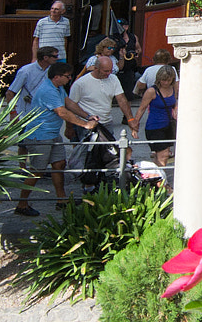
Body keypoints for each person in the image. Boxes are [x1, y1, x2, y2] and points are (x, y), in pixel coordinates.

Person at [12, 62, 97, 213]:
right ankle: (21, 204)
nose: (70, 79)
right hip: (40, 136)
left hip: (52, 134)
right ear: (57, 77)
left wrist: (88, 115)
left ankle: (61, 199)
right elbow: (62, 112)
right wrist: (85, 124)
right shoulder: (48, 91)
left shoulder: (57, 88)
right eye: (67, 76)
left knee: (59, 164)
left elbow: (69, 103)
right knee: (37, 170)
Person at [68, 54, 131, 134]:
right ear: (96, 69)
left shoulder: (113, 78)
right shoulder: (80, 83)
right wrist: (70, 127)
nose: (109, 73)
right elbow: (71, 105)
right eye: (105, 71)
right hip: (87, 123)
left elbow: (121, 99)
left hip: (107, 122)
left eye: (110, 70)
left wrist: (130, 119)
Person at [131, 65, 179, 167]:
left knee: (159, 156)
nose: (165, 83)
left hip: (168, 126)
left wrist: (175, 109)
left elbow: (174, 102)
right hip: (154, 127)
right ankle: (161, 180)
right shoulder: (152, 91)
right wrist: (135, 127)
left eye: (168, 80)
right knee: (164, 155)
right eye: (163, 80)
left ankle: (155, 178)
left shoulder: (173, 89)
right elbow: (141, 109)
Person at [7, 47, 61, 113]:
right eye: (55, 56)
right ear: (45, 57)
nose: (57, 58)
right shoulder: (26, 71)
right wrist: (12, 112)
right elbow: (10, 92)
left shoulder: (53, 70)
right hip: (26, 112)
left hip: (45, 112)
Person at [111, 21, 143, 94]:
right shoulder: (112, 38)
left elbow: (139, 49)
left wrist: (135, 53)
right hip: (116, 65)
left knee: (128, 91)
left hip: (129, 66)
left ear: (126, 27)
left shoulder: (133, 37)